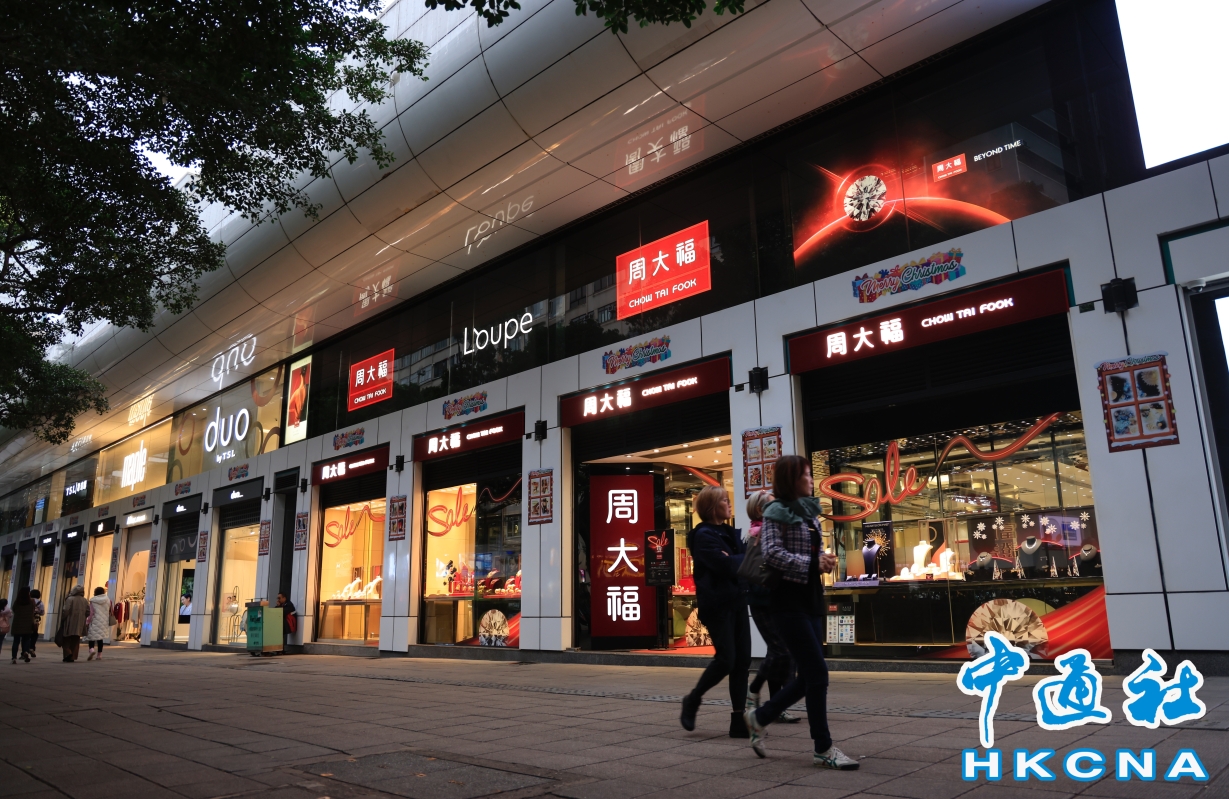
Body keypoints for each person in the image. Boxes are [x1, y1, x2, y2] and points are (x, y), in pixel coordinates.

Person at [742, 455, 858, 770]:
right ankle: (823, 746)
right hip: (787, 602)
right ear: (791, 479)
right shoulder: (775, 513)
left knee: (810, 675)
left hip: (811, 599)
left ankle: (760, 716)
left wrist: (824, 559)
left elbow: (810, 552)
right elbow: (772, 554)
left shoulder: (808, 511)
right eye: (806, 475)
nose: (811, 479)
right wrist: (811, 563)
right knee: (817, 673)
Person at [679, 485, 752, 739]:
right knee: (727, 659)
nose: (729, 504)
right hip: (717, 605)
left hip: (738, 601)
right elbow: (727, 565)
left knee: (742, 661)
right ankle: (693, 699)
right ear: (711, 507)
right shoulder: (703, 535)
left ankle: (738, 720)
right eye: (724, 500)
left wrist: (737, 559)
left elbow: (743, 562)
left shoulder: (728, 533)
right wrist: (738, 559)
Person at [745, 490, 799, 723]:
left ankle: (776, 704)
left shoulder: (768, 532)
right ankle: (760, 693)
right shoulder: (756, 535)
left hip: (774, 600)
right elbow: (756, 573)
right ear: (760, 510)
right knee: (781, 651)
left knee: (779, 651)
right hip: (763, 601)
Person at [58, 585, 90, 662]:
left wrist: (62, 618)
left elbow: (66, 610)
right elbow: (88, 612)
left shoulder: (70, 599)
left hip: (69, 621)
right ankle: (72, 657)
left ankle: (68, 653)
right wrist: (83, 617)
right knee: (75, 640)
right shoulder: (85, 600)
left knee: (66, 639)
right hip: (80, 623)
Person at [85, 586, 113, 661]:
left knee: (91, 637)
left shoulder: (93, 600)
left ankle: (91, 650)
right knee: (100, 638)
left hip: (94, 621)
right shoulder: (108, 600)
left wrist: (87, 622)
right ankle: (99, 655)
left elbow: (91, 613)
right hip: (104, 621)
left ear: (95, 592)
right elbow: (110, 611)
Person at [10, 586, 36, 663]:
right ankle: (25, 652)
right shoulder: (31, 601)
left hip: (17, 623)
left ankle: (14, 657)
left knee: (16, 641)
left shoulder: (17, 601)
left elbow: (14, 609)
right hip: (28, 623)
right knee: (26, 640)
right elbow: (33, 610)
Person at [29, 589, 44, 658]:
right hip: (35, 620)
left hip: (27, 619)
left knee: (26, 635)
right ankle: (32, 647)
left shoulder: (28, 601)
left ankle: (25, 650)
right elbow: (42, 612)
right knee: (34, 634)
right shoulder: (40, 602)